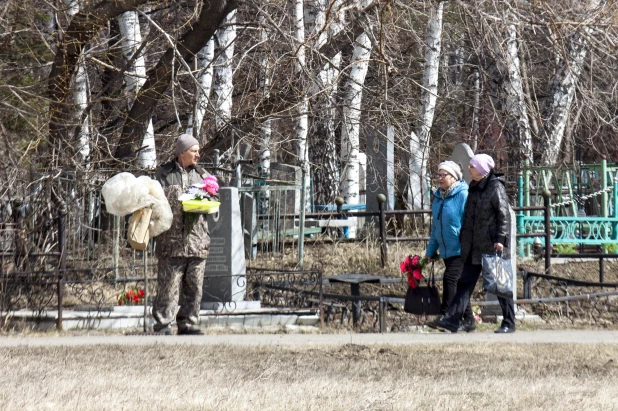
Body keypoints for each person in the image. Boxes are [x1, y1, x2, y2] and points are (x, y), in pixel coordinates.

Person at [429, 153, 516, 334]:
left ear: (482, 169)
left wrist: (500, 239)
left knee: (499, 284)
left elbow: (504, 215)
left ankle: (509, 322)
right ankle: (454, 320)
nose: (468, 169)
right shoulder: (474, 188)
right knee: (464, 283)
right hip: (473, 246)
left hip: (492, 245)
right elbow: (468, 217)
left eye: (472, 166)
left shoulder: (495, 187)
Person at [152, 133, 211, 335]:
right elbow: (152, 201)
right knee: (168, 287)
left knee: (194, 287)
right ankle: (163, 324)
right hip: (171, 242)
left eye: (198, 151)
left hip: (197, 241)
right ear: (182, 152)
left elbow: (214, 204)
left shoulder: (203, 175)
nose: (198, 155)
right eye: (194, 151)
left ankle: (189, 323)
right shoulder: (164, 174)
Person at [425, 161, 476, 332]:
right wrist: (431, 251)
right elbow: (435, 227)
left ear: (453, 177)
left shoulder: (463, 195)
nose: (439, 178)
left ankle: (447, 316)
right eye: (438, 175)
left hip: (461, 248)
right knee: (459, 285)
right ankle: (469, 320)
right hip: (446, 250)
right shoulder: (438, 198)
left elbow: (470, 222)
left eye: (443, 175)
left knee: (450, 279)